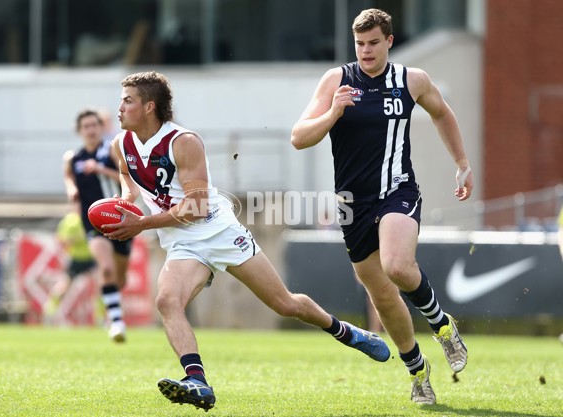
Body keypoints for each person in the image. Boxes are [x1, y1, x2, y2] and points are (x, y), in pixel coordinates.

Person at [101, 71, 390, 411]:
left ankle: (348, 332)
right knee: (167, 300)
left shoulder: (184, 141)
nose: (119, 107)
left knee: (286, 304)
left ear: (149, 107)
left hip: (219, 232)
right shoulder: (121, 144)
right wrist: (123, 204)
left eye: (127, 100)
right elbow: (128, 177)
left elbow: (196, 207)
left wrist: (143, 224)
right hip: (182, 242)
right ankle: (197, 381)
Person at [290, 8, 471, 405]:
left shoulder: (412, 80)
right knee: (383, 295)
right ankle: (418, 371)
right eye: (360, 44)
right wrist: (333, 112)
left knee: (397, 265)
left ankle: (442, 326)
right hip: (352, 203)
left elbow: (442, 112)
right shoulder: (336, 80)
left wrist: (462, 164)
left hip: (398, 190)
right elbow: (299, 137)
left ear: (389, 41)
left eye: (374, 43)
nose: (366, 51)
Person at [63, 109, 133, 342]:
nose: (91, 130)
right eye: (86, 126)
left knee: (119, 278)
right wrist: (72, 190)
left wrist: (101, 169)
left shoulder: (111, 150)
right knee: (105, 269)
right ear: (79, 130)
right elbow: (69, 178)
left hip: (120, 220)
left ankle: (110, 312)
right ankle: (117, 322)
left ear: (100, 127)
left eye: (94, 125)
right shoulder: (73, 158)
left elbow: (126, 178)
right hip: (92, 223)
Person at [43, 205, 96, 324]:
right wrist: (77, 238)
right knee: (64, 286)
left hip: (92, 258)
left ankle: (103, 317)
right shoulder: (69, 221)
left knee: (102, 285)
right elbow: (61, 240)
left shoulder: (92, 217)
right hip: (76, 259)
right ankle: (49, 312)